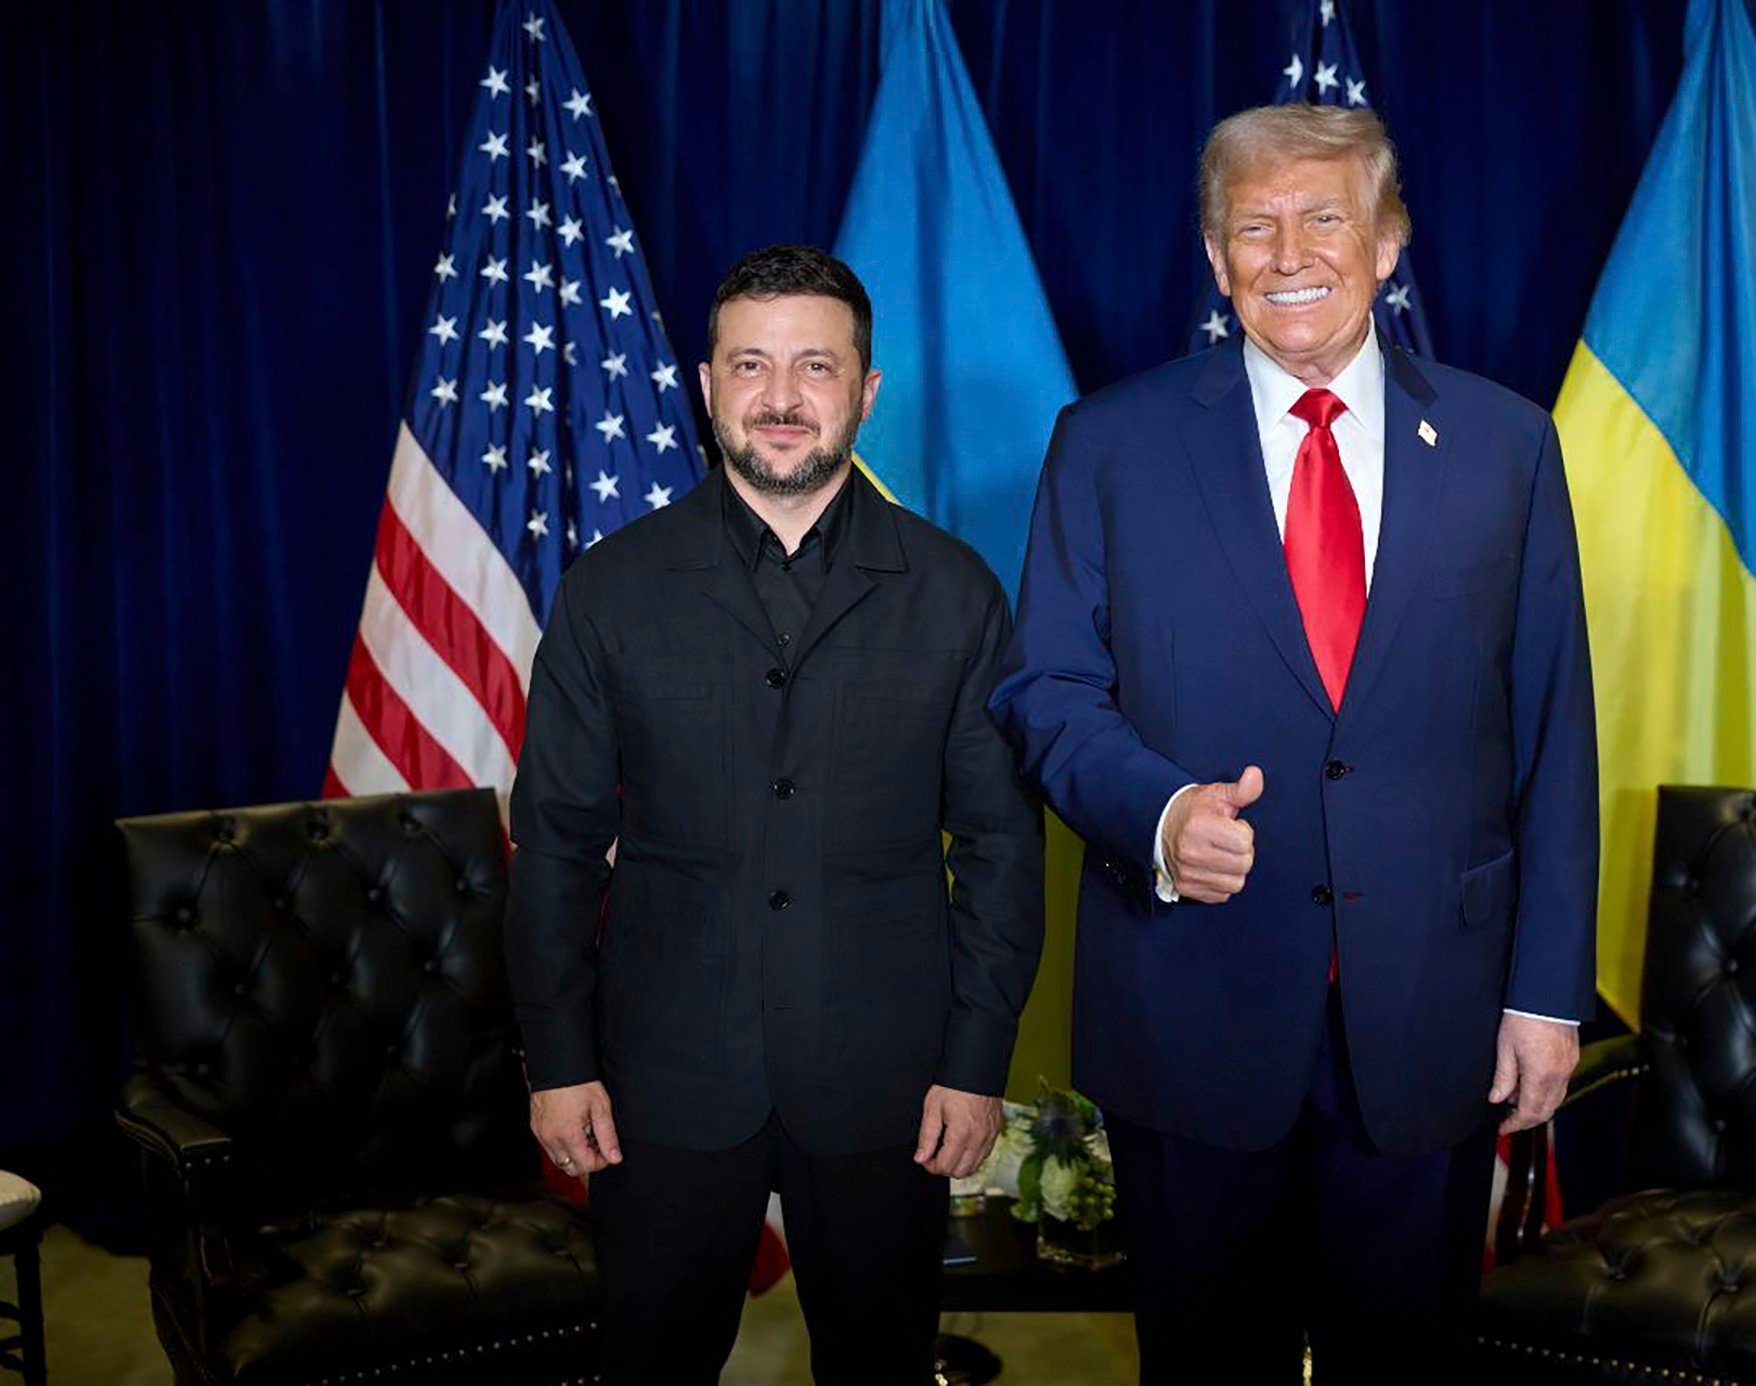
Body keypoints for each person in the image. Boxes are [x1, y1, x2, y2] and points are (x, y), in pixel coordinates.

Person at [990, 105, 1598, 1381]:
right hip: (1191, 1004)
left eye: (1324, 217)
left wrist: (1545, 994)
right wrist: (1158, 816)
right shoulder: (1106, 443)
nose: (1288, 252)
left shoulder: (1506, 444)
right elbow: (1045, 687)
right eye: (1251, 226)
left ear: (1388, 243)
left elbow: (1551, 731)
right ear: (1214, 258)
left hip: (1431, 1017)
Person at [506, 244, 1045, 1383]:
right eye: (750, 365)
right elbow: (554, 844)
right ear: (706, 386)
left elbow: (999, 847)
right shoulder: (611, 586)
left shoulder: (955, 592)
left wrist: (976, 1059)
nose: (783, 398)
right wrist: (558, 1059)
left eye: (815, 365)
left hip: (889, 1079)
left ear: (865, 390)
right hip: (659, 1075)